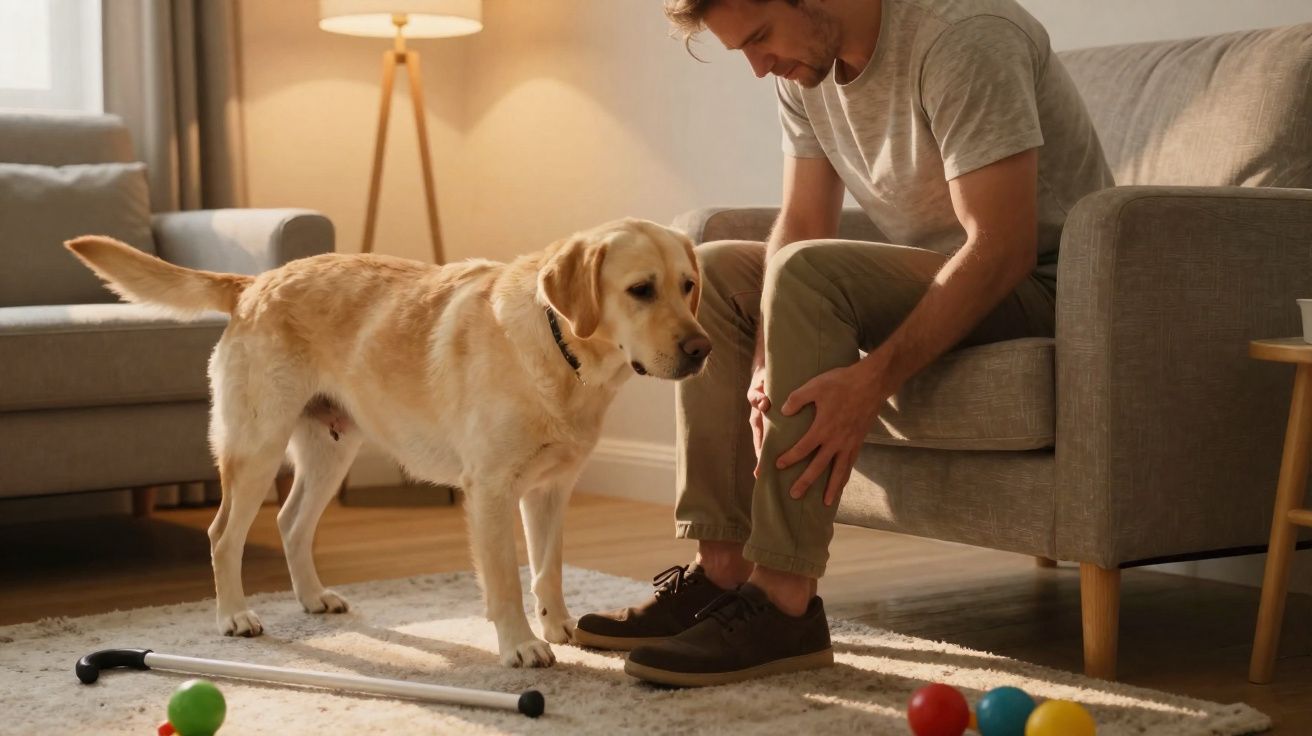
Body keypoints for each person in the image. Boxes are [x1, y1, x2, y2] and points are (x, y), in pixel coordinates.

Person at [573, 0, 1113, 686]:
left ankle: (783, 603)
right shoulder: (805, 69)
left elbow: (1002, 248)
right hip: (936, 271)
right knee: (722, 270)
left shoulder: (963, 36)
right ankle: (722, 572)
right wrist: (765, 360)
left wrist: (870, 383)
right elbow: (801, 220)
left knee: (807, 274)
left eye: (762, 37)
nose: (758, 66)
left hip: (1048, 290)